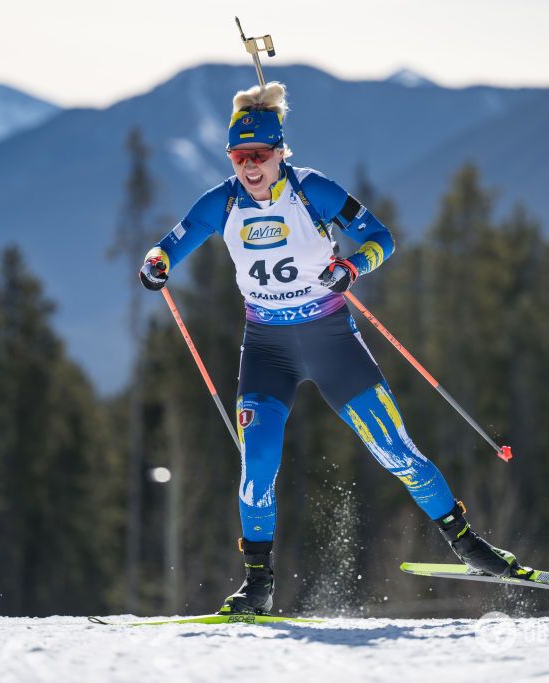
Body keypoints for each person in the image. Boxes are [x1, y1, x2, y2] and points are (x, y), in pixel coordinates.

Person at [139, 81, 527, 615]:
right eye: (239, 157)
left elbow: (381, 239)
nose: (250, 167)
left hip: (330, 341)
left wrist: (352, 266)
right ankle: (258, 584)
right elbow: (171, 245)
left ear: (280, 152)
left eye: (260, 155)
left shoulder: (312, 191)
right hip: (267, 349)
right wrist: (156, 262)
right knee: (258, 466)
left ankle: (470, 546)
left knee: (395, 451)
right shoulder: (221, 201)